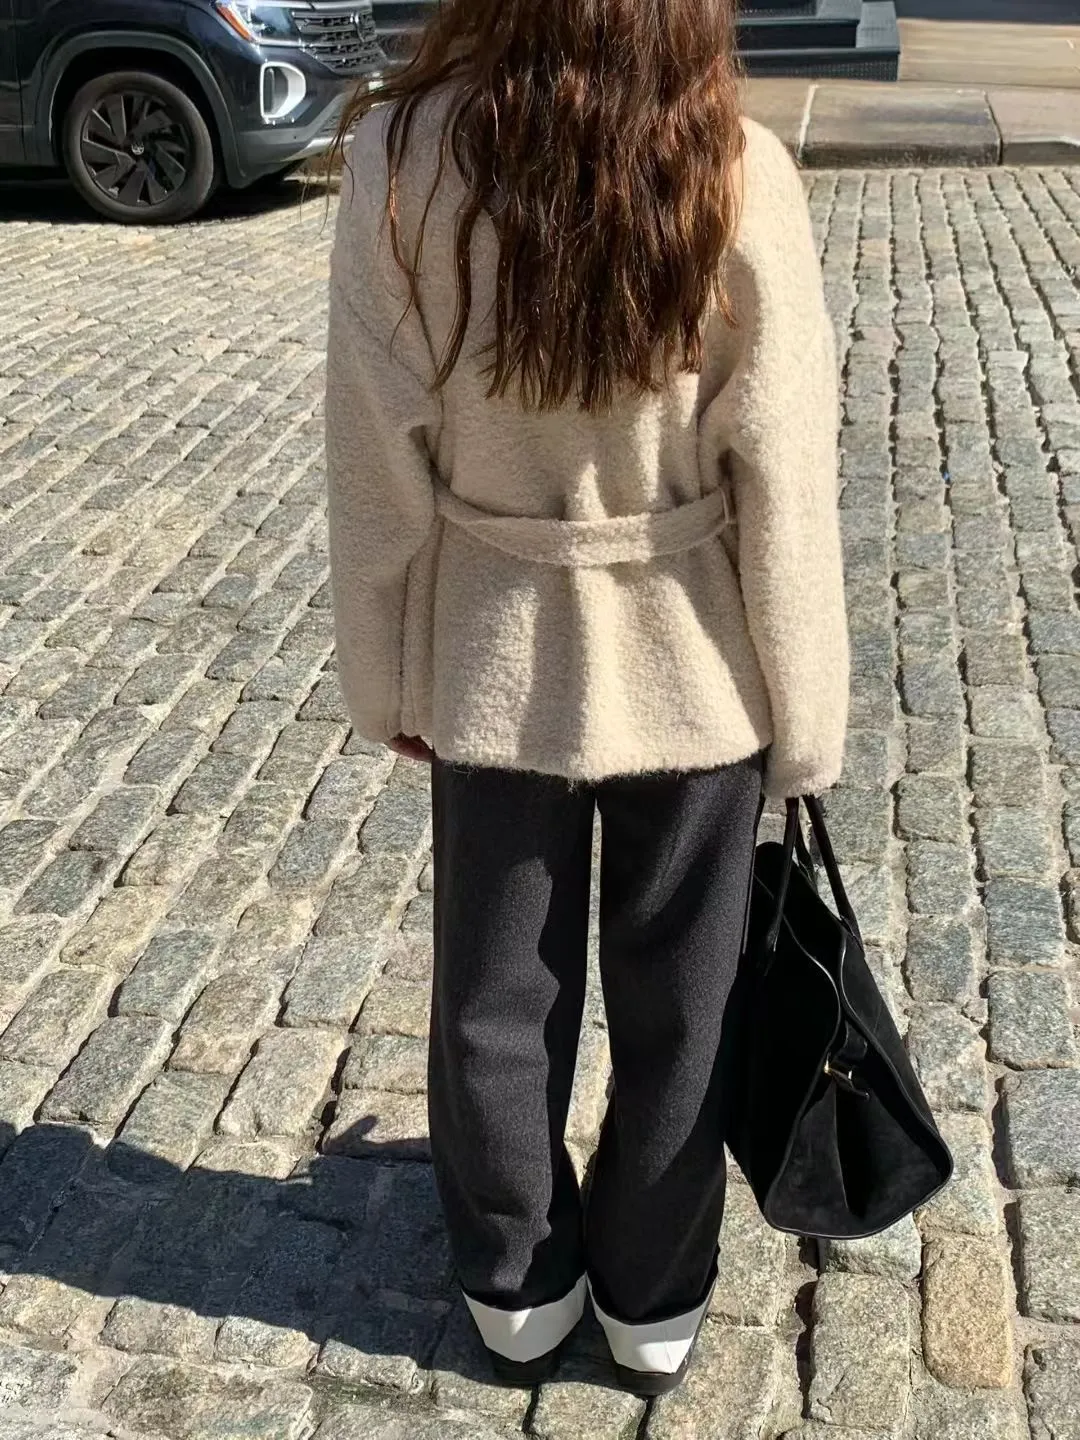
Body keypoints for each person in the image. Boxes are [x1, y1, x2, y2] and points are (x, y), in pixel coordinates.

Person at [325, 0, 848, 1397]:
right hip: (697, 658)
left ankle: (513, 1281)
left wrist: (384, 667)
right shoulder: (735, 166)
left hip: (492, 645)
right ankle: (653, 1294)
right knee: (686, 998)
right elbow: (784, 476)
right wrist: (806, 711)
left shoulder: (403, 162)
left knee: (495, 992)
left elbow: (375, 459)